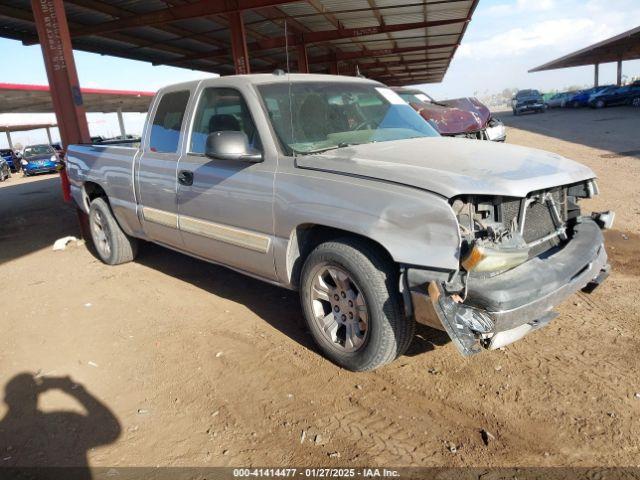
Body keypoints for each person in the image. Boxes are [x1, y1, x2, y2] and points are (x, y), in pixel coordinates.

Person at [0, 373, 120, 479]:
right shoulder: (62, 422)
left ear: (7, 400)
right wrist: (69, 387)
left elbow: (110, 431)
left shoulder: (62, 422)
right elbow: (110, 430)